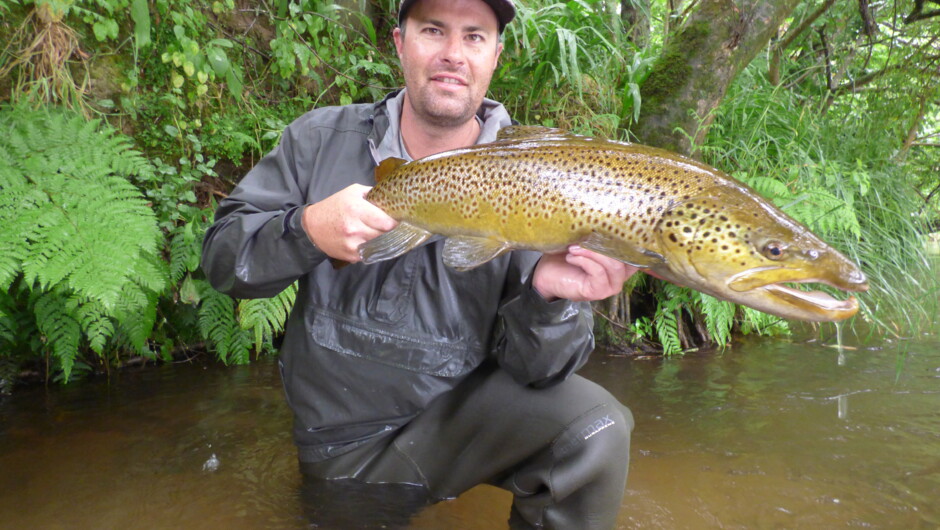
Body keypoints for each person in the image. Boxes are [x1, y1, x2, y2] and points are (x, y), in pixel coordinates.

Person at [201, 0, 638, 527]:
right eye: (433, 30)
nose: (453, 54)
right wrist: (307, 229)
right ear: (399, 43)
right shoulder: (317, 140)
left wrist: (550, 297)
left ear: (496, 55)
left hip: (461, 426)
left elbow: (539, 372)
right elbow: (225, 263)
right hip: (339, 446)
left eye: (474, 36)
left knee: (595, 427)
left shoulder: (541, 177)